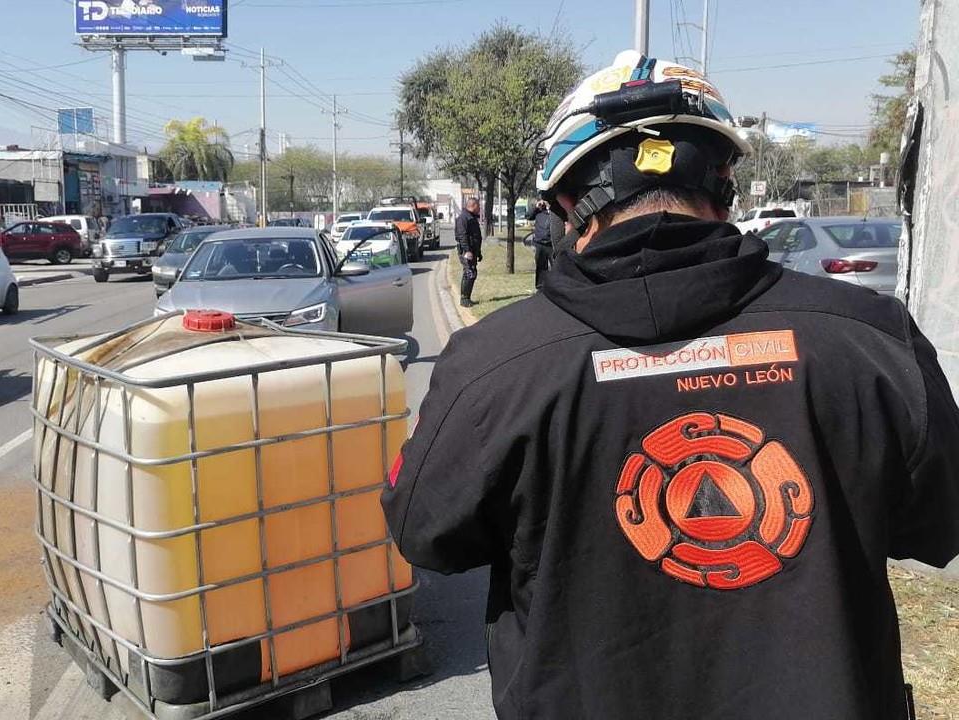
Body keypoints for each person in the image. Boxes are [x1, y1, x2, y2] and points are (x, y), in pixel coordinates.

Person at [383, 49, 959, 720]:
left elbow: (427, 535)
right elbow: (937, 523)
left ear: (567, 201)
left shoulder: (494, 364)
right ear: (724, 183)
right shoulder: (871, 336)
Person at [454, 196, 483, 307]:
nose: (480, 208)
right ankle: (464, 299)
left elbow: (475, 236)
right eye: (478, 206)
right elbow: (462, 236)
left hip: (473, 251)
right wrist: (467, 251)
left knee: (472, 273)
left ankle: (467, 297)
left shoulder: (471, 217)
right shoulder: (463, 218)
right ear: (473, 205)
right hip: (466, 251)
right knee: (469, 273)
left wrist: (478, 252)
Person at [529, 200, 561, 290]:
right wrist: (536, 206)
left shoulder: (554, 212)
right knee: (541, 267)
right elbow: (528, 216)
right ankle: (540, 287)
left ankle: (556, 286)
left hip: (551, 244)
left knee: (556, 266)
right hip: (539, 244)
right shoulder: (538, 212)